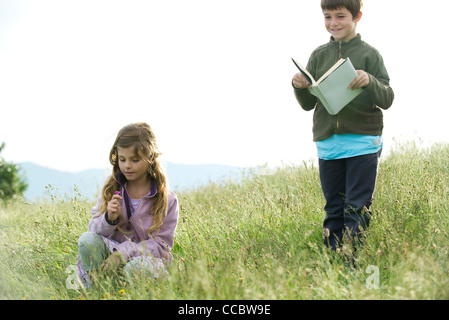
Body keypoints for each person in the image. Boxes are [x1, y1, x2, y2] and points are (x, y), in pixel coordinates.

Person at [292, 0, 394, 253]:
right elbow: (308, 104)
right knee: (333, 208)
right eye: (328, 17)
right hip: (328, 142)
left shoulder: (370, 54)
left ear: (357, 16)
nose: (333, 23)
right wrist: (299, 86)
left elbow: (387, 98)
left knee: (356, 206)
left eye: (340, 16)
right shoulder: (318, 55)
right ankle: (333, 264)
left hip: (362, 140)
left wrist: (369, 80)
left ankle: (353, 262)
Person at [76, 122, 179, 288]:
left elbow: (161, 245)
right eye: (122, 159)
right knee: (87, 240)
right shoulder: (111, 189)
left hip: (146, 260)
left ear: (151, 158)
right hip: (112, 257)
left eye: (135, 160)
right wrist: (109, 219)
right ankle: (96, 291)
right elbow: (94, 232)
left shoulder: (167, 199)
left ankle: (137, 289)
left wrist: (123, 254)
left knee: (137, 267)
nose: (127, 166)